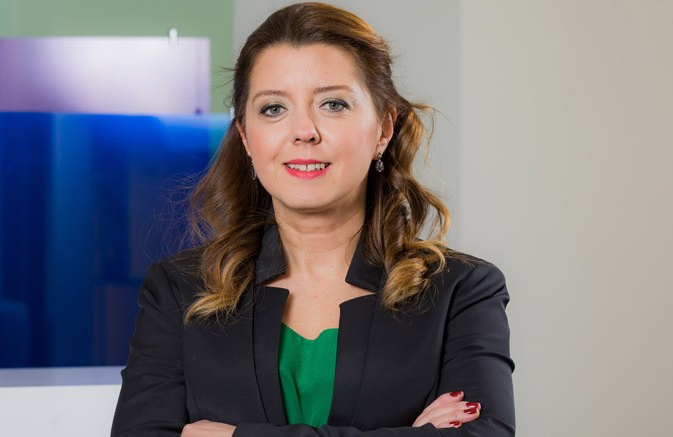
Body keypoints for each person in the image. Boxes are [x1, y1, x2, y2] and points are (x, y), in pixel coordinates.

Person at [110, 2, 514, 436]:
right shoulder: (179, 290)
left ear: (383, 129)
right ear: (245, 136)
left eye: (333, 104)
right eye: (273, 108)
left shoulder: (461, 291)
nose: (304, 131)